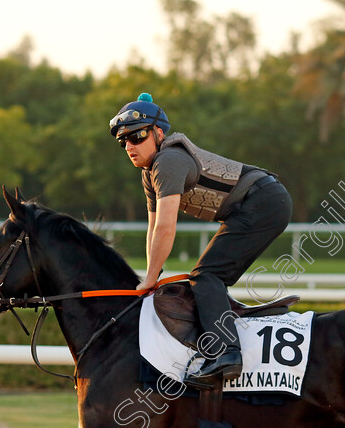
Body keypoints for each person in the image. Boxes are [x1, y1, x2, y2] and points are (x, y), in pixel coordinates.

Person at [109, 92, 292, 385]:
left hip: (264, 202)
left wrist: (150, 279)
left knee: (206, 277)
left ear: (158, 133)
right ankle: (223, 333)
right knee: (207, 276)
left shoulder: (167, 161)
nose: (130, 145)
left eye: (137, 136)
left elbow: (167, 228)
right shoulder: (150, 172)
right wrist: (150, 277)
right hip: (253, 205)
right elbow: (153, 228)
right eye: (123, 141)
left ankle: (227, 354)